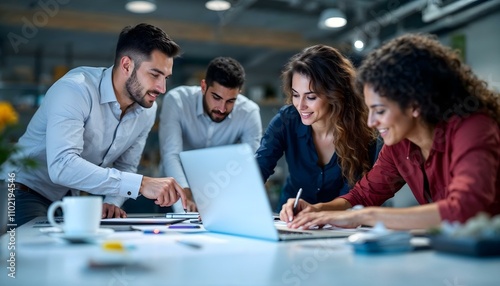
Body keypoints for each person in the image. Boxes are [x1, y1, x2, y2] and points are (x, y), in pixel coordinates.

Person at [281, 34, 500, 230]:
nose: (370, 122)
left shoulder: (473, 128)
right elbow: (363, 195)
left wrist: (365, 216)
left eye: (380, 110)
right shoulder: (399, 144)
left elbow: (465, 209)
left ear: (415, 104)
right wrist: (318, 210)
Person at [5, 23, 187, 226]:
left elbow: (126, 165)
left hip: (68, 199)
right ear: (126, 65)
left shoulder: (147, 110)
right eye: (154, 75)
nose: (162, 88)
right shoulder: (75, 90)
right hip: (22, 190)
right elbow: (62, 166)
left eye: (166, 77)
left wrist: (112, 201)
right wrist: (142, 184)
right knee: (30, 255)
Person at [256, 44, 380, 212]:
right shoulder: (287, 119)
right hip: (291, 216)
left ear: (334, 94)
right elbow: (260, 165)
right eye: (295, 95)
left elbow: (355, 196)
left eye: (311, 97)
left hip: (340, 222)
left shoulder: (362, 131)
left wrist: (319, 212)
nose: (300, 106)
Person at [158, 57, 262, 211]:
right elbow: (171, 155)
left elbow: (251, 163)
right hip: (174, 189)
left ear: (239, 93)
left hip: (220, 193)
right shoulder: (177, 101)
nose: (222, 108)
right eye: (216, 97)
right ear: (203, 86)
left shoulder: (249, 112)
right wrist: (185, 199)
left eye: (230, 101)